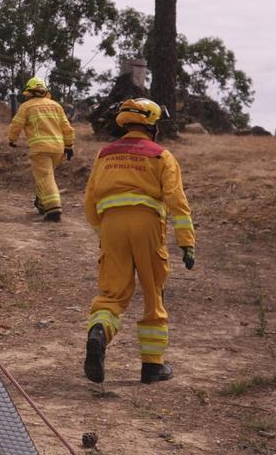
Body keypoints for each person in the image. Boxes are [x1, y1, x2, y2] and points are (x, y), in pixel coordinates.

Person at [83, 98, 195, 385]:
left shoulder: (105, 154)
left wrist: (103, 230)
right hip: (146, 225)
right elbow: (176, 201)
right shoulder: (161, 155)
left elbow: (90, 199)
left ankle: (99, 332)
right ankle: (152, 367)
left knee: (112, 293)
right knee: (152, 294)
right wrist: (186, 242)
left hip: (111, 225)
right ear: (152, 125)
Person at [7, 77, 74, 222]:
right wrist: (69, 146)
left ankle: (53, 209)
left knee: (45, 177)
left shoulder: (26, 106)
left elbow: (16, 125)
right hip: (58, 149)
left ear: (29, 92)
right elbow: (67, 128)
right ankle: (41, 203)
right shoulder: (56, 106)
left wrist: (12, 140)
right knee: (46, 176)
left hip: (40, 149)